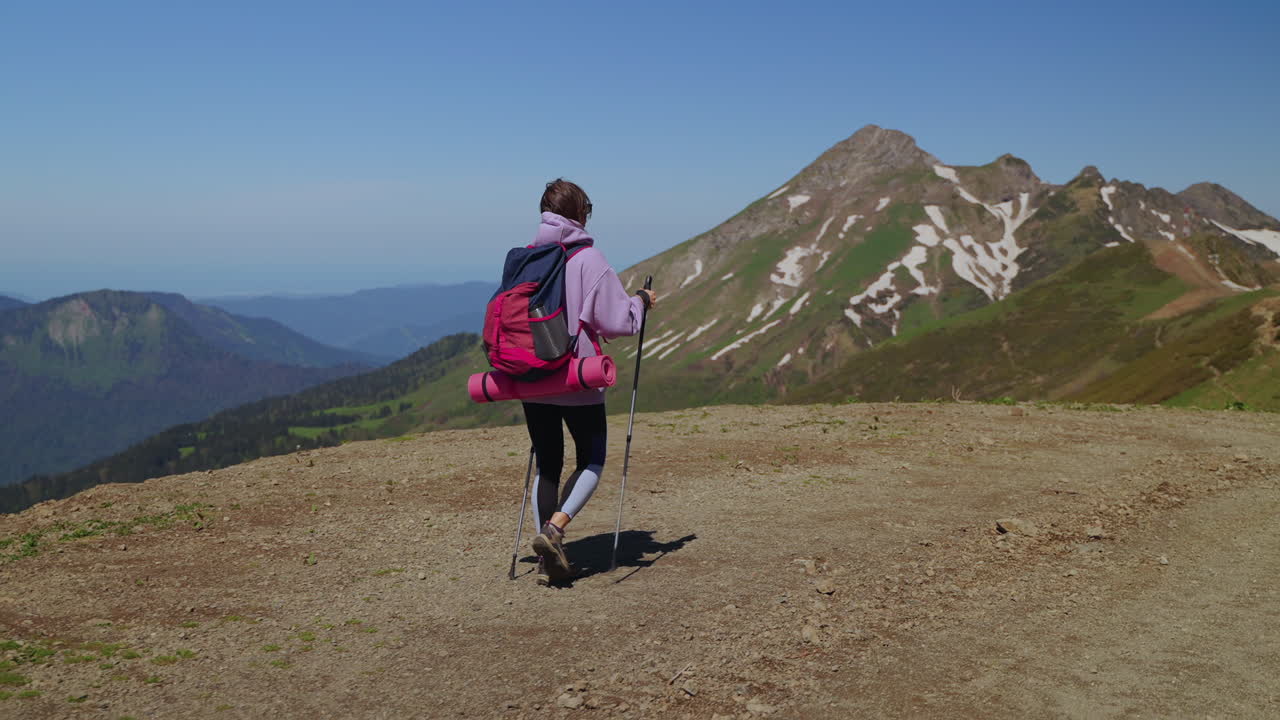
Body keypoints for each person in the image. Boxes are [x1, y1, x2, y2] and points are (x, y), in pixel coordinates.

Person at [523, 178, 657, 586]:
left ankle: (548, 556)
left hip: (532, 375)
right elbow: (617, 323)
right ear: (581, 213)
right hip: (576, 375)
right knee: (592, 458)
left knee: (547, 462)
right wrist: (641, 302)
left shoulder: (528, 257)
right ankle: (555, 530)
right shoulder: (589, 259)